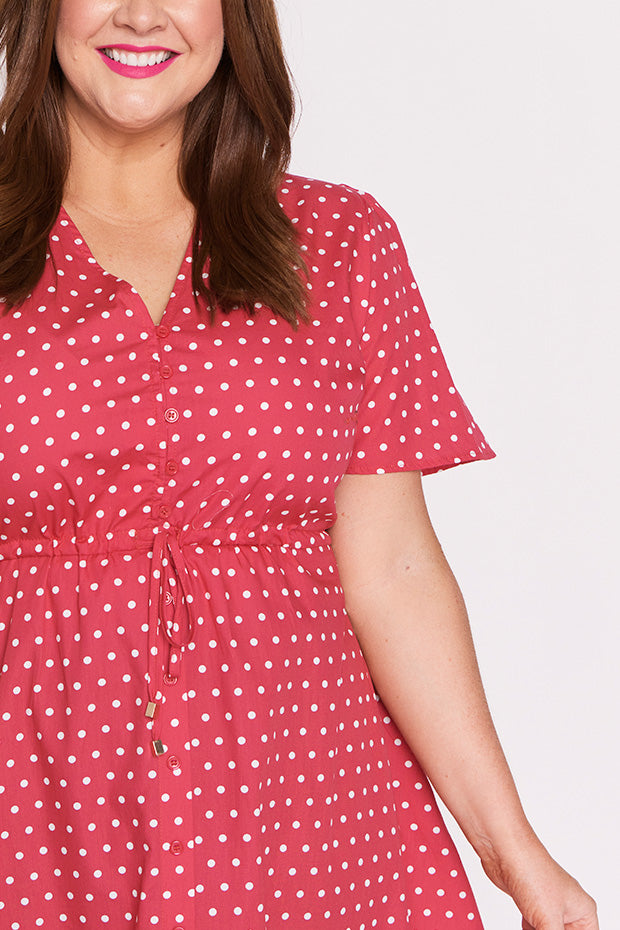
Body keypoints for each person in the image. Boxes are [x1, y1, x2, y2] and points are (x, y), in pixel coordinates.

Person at [0, 1, 598, 928]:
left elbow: (392, 571)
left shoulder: (341, 241)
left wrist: (513, 852)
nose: (142, 15)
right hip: (40, 817)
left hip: (311, 823)